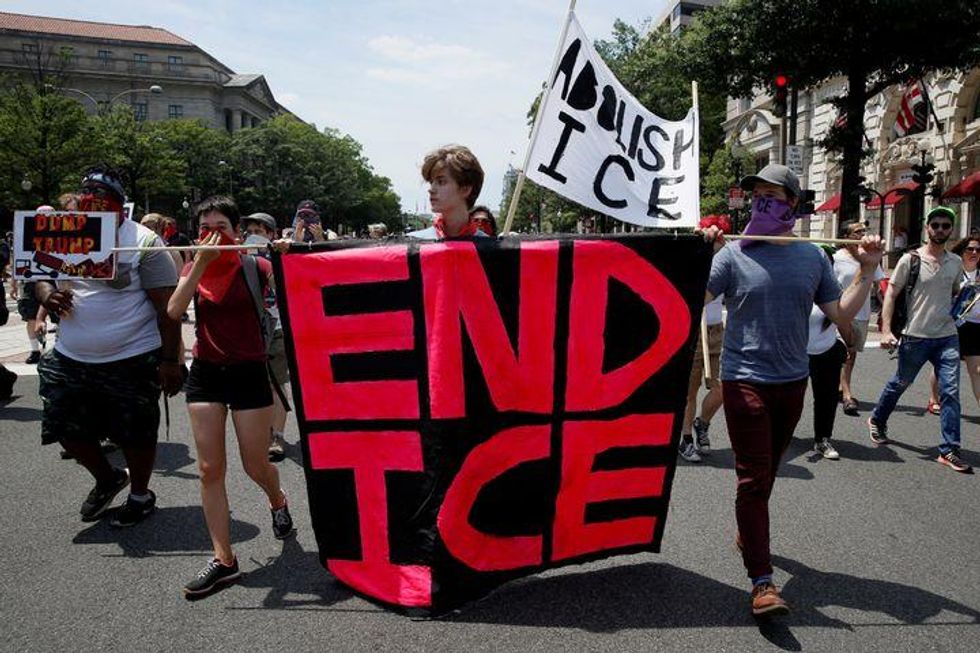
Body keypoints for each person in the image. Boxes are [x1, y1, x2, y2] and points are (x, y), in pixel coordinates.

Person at [703, 164, 883, 617]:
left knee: (764, 477)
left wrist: (868, 269)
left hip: (791, 382)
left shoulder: (812, 256)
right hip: (743, 379)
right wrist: (696, 252)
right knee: (752, 475)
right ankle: (762, 582)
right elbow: (691, 298)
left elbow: (841, 315)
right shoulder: (732, 255)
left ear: (793, 205)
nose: (762, 200)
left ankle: (750, 533)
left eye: (773, 194)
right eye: (756, 193)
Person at [35, 166, 183, 526]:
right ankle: (107, 478)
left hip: (131, 356)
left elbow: (168, 311)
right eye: (88, 199)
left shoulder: (144, 241)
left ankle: (139, 494)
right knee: (62, 427)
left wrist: (170, 361)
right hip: (70, 355)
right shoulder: (63, 234)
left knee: (136, 432)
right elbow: (40, 274)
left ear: (119, 206)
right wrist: (48, 296)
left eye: (103, 200)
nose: (94, 206)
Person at [168, 196, 294, 598]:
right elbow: (174, 311)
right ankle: (224, 560)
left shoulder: (255, 265)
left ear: (236, 230)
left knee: (255, 464)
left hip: (249, 373)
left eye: (220, 226)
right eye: (205, 226)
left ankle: (277, 498)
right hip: (206, 373)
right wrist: (201, 263)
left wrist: (287, 256)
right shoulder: (194, 267)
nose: (212, 233)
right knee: (209, 468)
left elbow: (298, 292)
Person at [870, 206, 971, 473]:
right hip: (915, 336)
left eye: (945, 226)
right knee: (900, 383)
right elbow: (891, 294)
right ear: (927, 228)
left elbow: (955, 294)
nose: (939, 230)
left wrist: (966, 296)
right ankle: (878, 419)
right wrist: (886, 330)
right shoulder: (910, 259)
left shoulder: (955, 262)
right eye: (935, 225)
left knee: (950, 392)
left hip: (947, 336)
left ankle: (949, 449)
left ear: (950, 230)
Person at [240, 211, 291, 462]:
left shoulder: (280, 256)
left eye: (260, 232)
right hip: (249, 331)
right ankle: (260, 432)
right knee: (253, 386)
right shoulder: (239, 257)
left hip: (278, 328)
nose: (254, 237)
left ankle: (277, 436)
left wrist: (284, 254)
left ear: (272, 234)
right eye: (250, 232)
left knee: (276, 384)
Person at [835, 221, 885, 415]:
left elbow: (880, 284)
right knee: (843, 353)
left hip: (862, 314)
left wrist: (886, 314)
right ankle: (847, 395)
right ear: (846, 237)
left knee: (851, 355)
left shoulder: (870, 257)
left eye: (864, 231)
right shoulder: (835, 258)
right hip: (838, 314)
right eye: (857, 232)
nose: (862, 234)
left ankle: (841, 387)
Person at [408, 145, 488, 239]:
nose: (431, 189)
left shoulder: (491, 249)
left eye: (441, 182)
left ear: (465, 189)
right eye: (431, 182)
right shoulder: (414, 244)